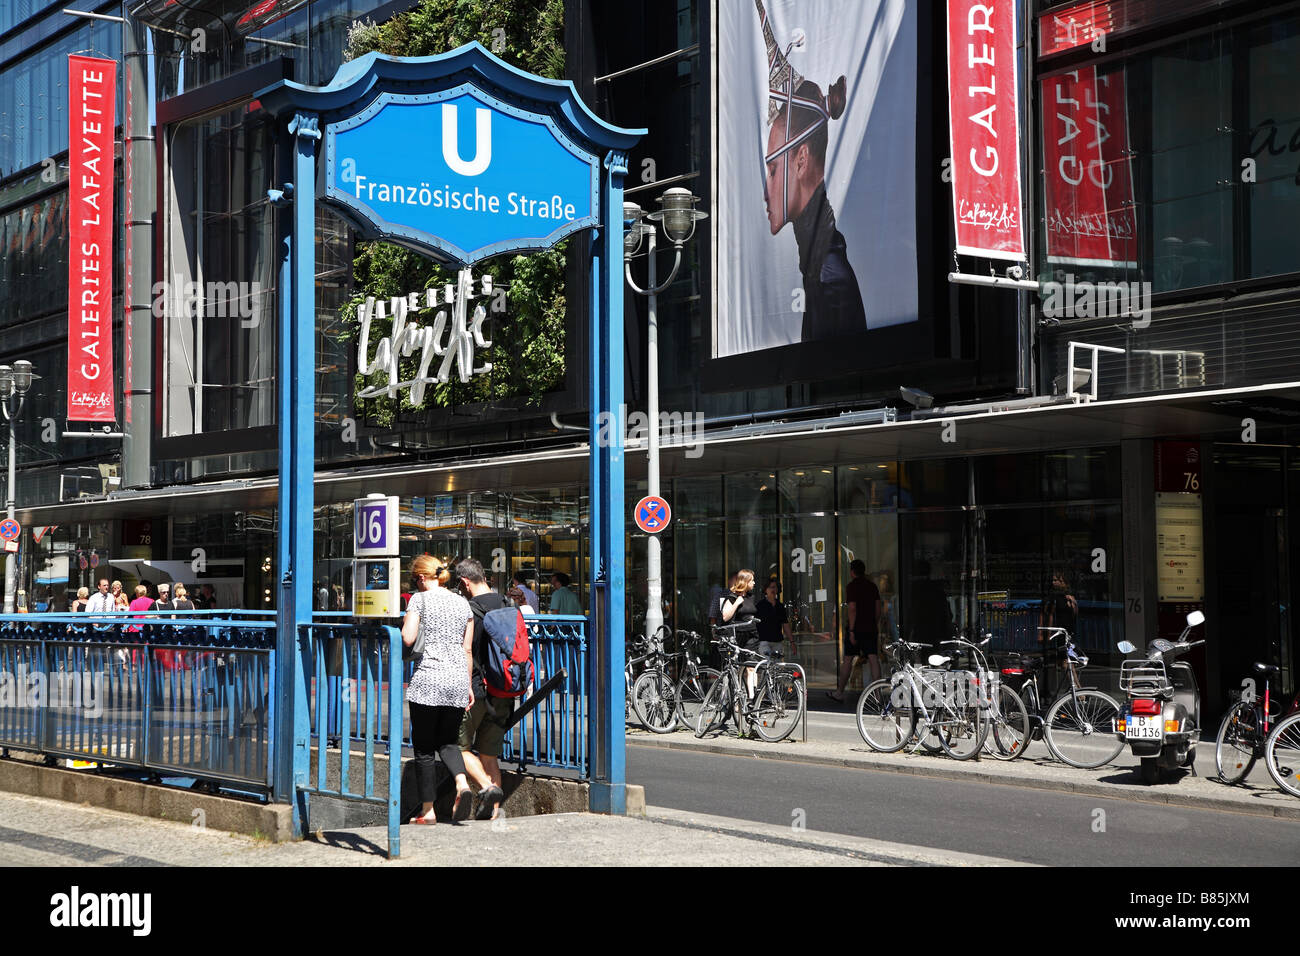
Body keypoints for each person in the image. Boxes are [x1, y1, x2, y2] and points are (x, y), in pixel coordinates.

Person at [757, 1, 865, 342]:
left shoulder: (831, 283)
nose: (765, 189)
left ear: (801, 159)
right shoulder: (820, 271)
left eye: (772, 169)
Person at [401, 554, 475, 824]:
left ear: (421, 577)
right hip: (457, 680)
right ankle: (462, 784)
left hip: (428, 680)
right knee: (448, 742)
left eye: (414, 579)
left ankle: (428, 811)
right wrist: (468, 685)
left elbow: (408, 637)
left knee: (423, 749)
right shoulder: (462, 603)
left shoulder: (418, 600)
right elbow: (467, 649)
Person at [456, 558, 511, 821]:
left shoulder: (468, 610)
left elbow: (464, 650)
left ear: (465, 582)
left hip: (476, 689)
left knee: (456, 746)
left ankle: (487, 788)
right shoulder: (507, 604)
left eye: (460, 585)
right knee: (490, 755)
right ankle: (493, 813)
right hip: (504, 689)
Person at [828, 559, 882, 703]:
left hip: (856, 629)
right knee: (873, 659)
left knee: (848, 660)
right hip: (870, 628)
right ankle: (878, 695)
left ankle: (839, 692)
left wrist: (852, 630)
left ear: (852, 572)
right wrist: (874, 623)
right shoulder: (872, 586)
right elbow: (878, 608)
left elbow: (852, 609)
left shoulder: (852, 587)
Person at [754, 578, 791, 659]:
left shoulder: (780, 606)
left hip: (777, 641)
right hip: (764, 641)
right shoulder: (760, 606)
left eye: (775, 587)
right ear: (766, 590)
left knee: (776, 667)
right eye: (771, 587)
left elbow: (785, 624)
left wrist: (792, 641)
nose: (773, 589)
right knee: (767, 664)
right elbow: (754, 623)